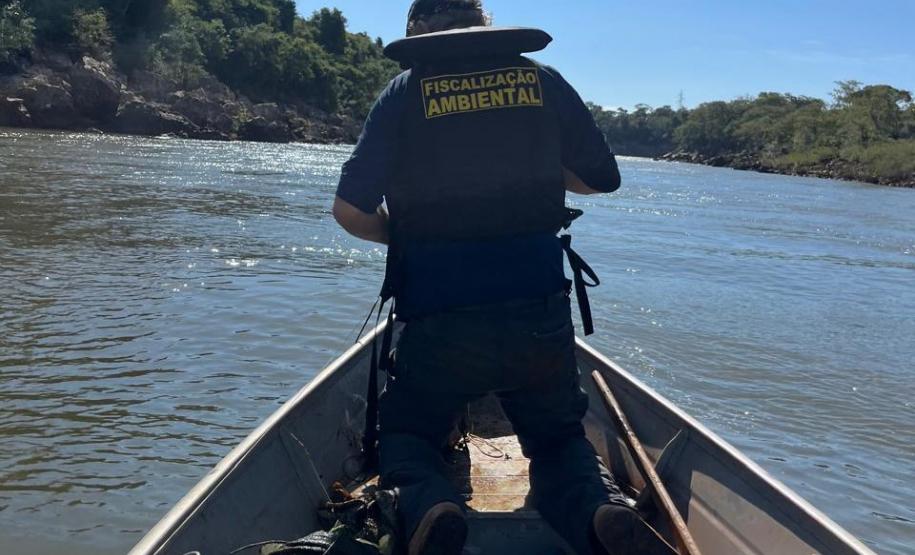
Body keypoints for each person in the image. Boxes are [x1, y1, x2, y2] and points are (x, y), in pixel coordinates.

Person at [333, 2, 671, 554]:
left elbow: (349, 211)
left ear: (417, 33)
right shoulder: (543, 82)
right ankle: (595, 510)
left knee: (408, 435)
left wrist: (414, 236)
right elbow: (598, 180)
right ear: (485, 24)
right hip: (536, 316)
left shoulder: (404, 92)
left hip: (439, 322)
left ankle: (429, 505)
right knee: (560, 438)